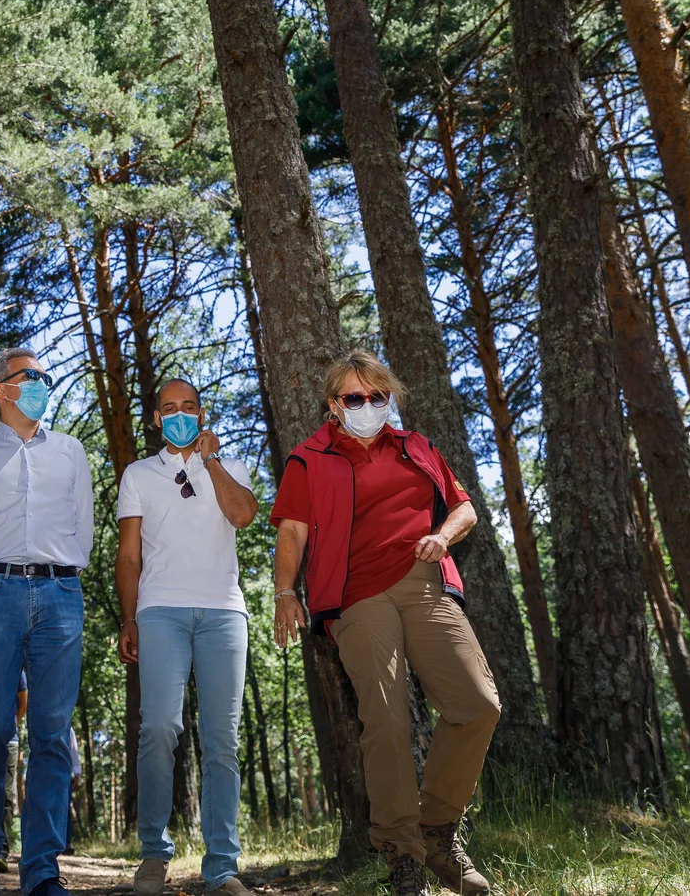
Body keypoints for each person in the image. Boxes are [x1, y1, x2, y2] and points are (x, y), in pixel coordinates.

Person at [270, 349, 499, 896]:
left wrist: (443, 535)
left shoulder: (416, 447)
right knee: (388, 719)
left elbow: (464, 507)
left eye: (379, 396)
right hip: (355, 596)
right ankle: (403, 855)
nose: (369, 406)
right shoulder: (310, 457)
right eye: (355, 397)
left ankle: (438, 829)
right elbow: (293, 532)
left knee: (478, 704)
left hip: (424, 581)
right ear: (333, 405)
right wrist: (284, 591)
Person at [0, 347, 94, 896]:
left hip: (61, 594)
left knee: (52, 735)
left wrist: (58, 576)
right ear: (1, 390)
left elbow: (84, 530)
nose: (41, 383)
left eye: (44, 376)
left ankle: (42, 870)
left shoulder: (72, 452)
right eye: (30, 376)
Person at [116, 378, 258, 896]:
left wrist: (210, 462)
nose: (179, 415)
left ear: (202, 414)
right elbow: (129, 556)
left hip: (224, 614)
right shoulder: (138, 475)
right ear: (156, 418)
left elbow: (243, 515)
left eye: (189, 407)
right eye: (169, 409)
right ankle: (154, 856)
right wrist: (128, 619)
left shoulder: (230, 465)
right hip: (160, 612)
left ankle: (221, 865)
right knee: (158, 727)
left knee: (222, 739)